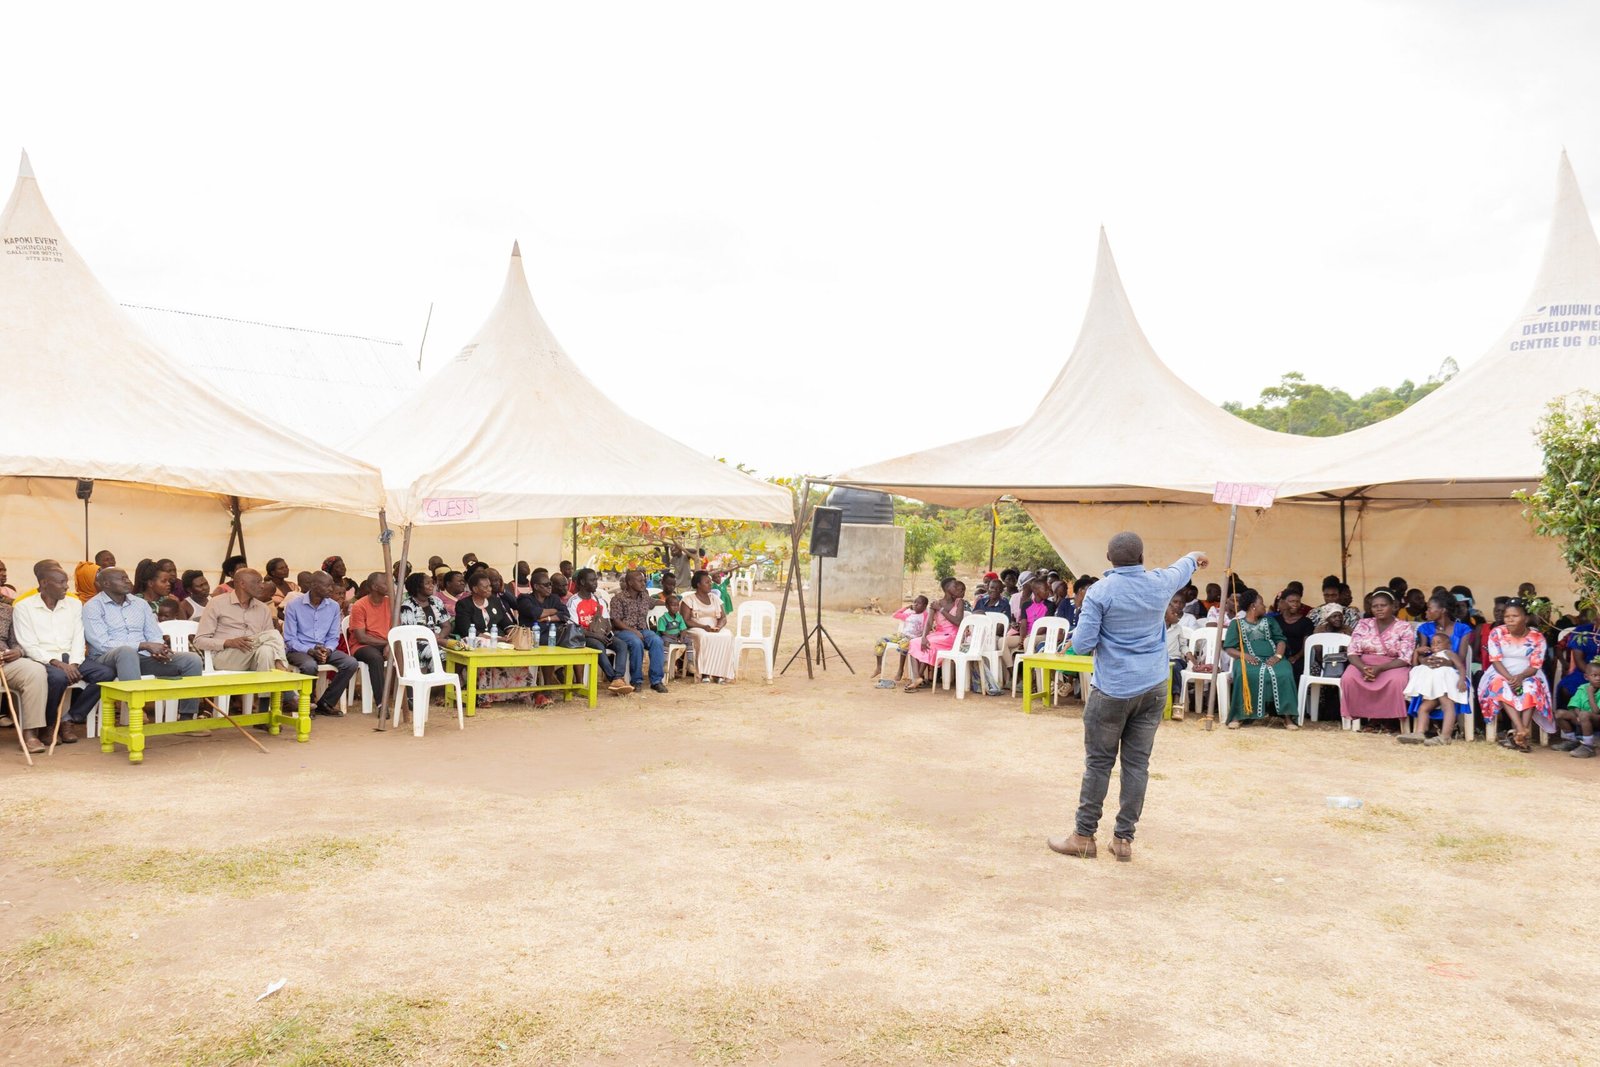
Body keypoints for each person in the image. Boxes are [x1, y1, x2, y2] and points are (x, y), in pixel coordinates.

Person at [1048, 534, 1207, 863]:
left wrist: (1072, 644)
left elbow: (1086, 640)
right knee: (1137, 765)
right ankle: (1123, 841)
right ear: (1142, 556)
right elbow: (1182, 566)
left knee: (1099, 763)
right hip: (1153, 686)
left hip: (1113, 689)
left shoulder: (1100, 592)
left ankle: (1083, 836)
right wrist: (1195, 556)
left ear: (1108, 557)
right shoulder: (1159, 582)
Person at [83, 565, 204, 720]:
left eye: (127, 577)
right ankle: (136, 714)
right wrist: (143, 645)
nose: (128, 581)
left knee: (191, 660)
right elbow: (102, 643)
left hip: (142, 658)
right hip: (106, 660)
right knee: (126, 651)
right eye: (122, 579)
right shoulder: (92, 607)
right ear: (106, 584)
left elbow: (153, 634)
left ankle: (187, 718)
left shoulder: (140, 604)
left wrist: (159, 650)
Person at [14, 565, 115, 744]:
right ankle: (48, 725)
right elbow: (28, 644)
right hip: (43, 659)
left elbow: (78, 637)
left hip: (72, 657)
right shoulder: (24, 607)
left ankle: (69, 719)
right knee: (58, 678)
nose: (66, 586)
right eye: (61, 582)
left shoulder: (74, 604)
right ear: (44, 583)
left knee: (105, 673)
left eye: (66, 582)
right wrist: (59, 664)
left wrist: (74, 663)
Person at [193, 568, 293, 703]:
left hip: (254, 657)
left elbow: (271, 644)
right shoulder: (217, 603)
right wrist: (228, 642)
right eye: (258, 582)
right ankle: (285, 680)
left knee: (267, 651)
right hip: (225, 658)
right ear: (242, 584)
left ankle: (263, 712)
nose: (262, 586)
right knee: (273, 634)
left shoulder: (263, 608)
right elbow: (199, 641)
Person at [1478, 597, 1553, 753]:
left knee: (1531, 687)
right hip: (1500, 672)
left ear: (1525, 618)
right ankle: (1521, 729)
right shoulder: (1497, 633)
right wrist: (1510, 677)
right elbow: (1496, 661)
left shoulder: (1537, 637)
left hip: (1529, 673)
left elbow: (1534, 665)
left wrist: (1520, 677)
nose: (1510, 620)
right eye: (1507, 616)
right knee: (1501, 684)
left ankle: (1521, 734)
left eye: (1515, 616)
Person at [281, 571, 358, 717]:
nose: (331, 589)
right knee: (310, 665)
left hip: (323, 648)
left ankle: (325, 703)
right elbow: (290, 639)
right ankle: (306, 705)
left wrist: (328, 650)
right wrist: (310, 650)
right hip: (299, 650)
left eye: (332, 585)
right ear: (314, 585)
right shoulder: (294, 605)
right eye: (327, 586)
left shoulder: (333, 606)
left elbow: (333, 636)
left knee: (350, 663)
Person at [1339, 588, 1416, 731]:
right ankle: (1371, 720)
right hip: (1364, 663)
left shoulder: (1404, 627)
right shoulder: (1363, 624)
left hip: (1393, 665)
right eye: (1375, 606)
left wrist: (1380, 669)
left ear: (1393, 606)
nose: (1379, 609)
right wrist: (1363, 668)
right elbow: (1352, 651)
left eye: (1383, 605)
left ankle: (1390, 721)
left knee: (1397, 681)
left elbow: (1405, 657)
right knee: (1349, 677)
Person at [1221, 589, 1298, 729]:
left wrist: (1278, 656)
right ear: (1253, 606)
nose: (1264, 606)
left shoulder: (1270, 620)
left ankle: (1287, 717)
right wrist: (1244, 656)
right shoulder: (1236, 624)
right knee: (1245, 673)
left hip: (1273, 658)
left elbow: (1281, 640)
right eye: (1261, 603)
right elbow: (1229, 648)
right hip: (1248, 659)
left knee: (1285, 672)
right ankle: (1239, 715)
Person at [564, 568, 631, 693]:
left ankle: (618, 678)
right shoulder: (573, 602)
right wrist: (597, 636)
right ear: (583, 582)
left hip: (600, 634)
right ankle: (614, 679)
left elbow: (606, 622)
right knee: (598, 645)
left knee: (622, 644)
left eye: (596, 580)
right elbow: (574, 629)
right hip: (584, 636)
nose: (596, 583)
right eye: (592, 580)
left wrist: (607, 634)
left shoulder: (599, 600)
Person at [0, 598, 52, 752]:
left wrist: (18, 652)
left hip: (5, 661)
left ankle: (30, 734)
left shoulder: (7, 610)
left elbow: (17, 642)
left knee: (35, 671)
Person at [1401, 630, 1470, 746]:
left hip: (1445, 685)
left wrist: (1462, 680)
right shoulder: (1430, 657)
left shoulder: (1449, 653)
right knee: (1423, 708)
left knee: (1447, 705)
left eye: (1439, 642)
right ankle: (1419, 733)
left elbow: (1460, 666)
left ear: (1449, 645)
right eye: (1432, 643)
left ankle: (1445, 736)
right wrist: (1417, 652)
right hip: (1433, 688)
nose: (1435, 645)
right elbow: (1415, 666)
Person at [611, 569, 668, 694]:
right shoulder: (618, 598)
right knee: (636, 643)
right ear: (630, 583)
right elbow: (616, 621)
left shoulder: (645, 597)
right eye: (640, 581)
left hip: (642, 630)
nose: (644, 583)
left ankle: (656, 681)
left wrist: (670, 603)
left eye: (644, 580)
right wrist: (633, 631)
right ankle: (636, 681)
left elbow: (656, 603)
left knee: (657, 641)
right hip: (622, 631)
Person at [906, 580, 965, 692]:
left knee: (930, 643)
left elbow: (958, 622)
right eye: (957, 587)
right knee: (915, 642)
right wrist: (924, 637)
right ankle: (917, 677)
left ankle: (918, 678)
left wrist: (941, 609)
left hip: (952, 636)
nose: (960, 591)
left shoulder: (959, 602)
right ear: (948, 588)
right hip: (938, 635)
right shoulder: (935, 604)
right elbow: (928, 623)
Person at [681, 570, 735, 684]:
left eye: (710, 582)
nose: (710, 584)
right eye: (707, 582)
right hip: (696, 628)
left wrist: (719, 627)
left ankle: (719, 673)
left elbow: (723, 618)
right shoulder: (689, 599)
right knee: (704, 636)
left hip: (714, 627)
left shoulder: (714, 598)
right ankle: (705, 673)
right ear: (698, 585)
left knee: (727, 635)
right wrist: (703, 626)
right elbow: (685, 620)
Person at [347, 573, 395, 692]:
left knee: (408, 653)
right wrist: (386, 643)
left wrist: (390, 644)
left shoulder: (391, 603)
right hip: (363, 646)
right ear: (374, 587)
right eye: (385, 583)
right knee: (375, 657)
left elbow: (396, 628)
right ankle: (381, 703)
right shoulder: (359, 606)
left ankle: (409, 696)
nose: (390, 585)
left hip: (386, 643)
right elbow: (362, 638)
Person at [398, 571, 451, 671]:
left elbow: (447, 625)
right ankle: (439, 683)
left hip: (439, 639)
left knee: (460, 652)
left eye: (432, 583)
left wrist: (439, 637)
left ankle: (458, 683)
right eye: (427, 583)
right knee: (440, 654)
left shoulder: (436, 601)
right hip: (416, 643)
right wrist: (433, 639)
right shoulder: (407, 606)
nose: (432, 586)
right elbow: (409, 633)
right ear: (417, 587)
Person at [873, 595, 928, 686]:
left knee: (904, 645)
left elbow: (927, 627)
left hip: (913, 638)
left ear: (925, 606)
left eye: (918, 603)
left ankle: (900, 669)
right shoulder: (910, 614)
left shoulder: (925, 615)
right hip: (901, 635)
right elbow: (895, 615)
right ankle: (879, 667)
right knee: (880, 641)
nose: (915, 605)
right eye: (914, 603)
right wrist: (906, 607)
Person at [1553, 660, 1600, 758]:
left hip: (1597, 720)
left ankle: (1588, 746)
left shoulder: (1591, 690)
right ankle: (1572, 741)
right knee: (1559, 713)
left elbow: (1596, 711)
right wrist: (1579, 716)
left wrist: (1590, 694)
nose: (1598, 678)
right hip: (1583, 718)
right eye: (1594, 675)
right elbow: (1574, 705)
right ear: (1586, 677)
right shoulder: (1582, 688)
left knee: (1584, 714)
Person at [1271, 589, 1315, 680]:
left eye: (1298, 601)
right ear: (1282, 602)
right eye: (1291, 601)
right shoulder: (1274, 620)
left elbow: (1306, 644)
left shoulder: (1306, 622)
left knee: (1297, 668)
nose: (1295, 604)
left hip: (1298, 657)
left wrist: (1296, 657)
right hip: (1278, 656)